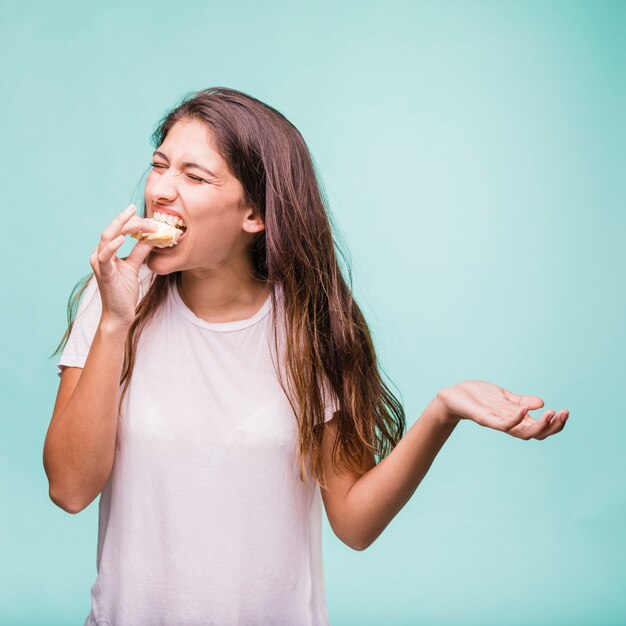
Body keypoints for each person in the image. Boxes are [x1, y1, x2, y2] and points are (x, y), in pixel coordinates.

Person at [44, 87, 570, 626]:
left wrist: (442, 412)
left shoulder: (311, 328)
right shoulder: (111, 298)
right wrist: (114, 322)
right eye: (159, 166)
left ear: (255, 214)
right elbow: (69, 489)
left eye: (194, 176)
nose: (161, 190)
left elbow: (355, 524)